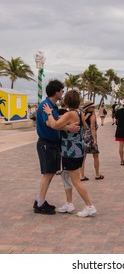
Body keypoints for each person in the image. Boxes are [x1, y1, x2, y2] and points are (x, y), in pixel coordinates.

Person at [43, 89, 97, 217]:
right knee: (65, 175)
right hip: (77, 150)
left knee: (76, 180)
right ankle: (69, 203)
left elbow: (55, 125)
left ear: (67, 101)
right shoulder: (79, 113)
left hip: (70, 151)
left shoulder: (70, 114)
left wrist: (49, 114)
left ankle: (90, 206)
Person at [33, 79, 79, 215]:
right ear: (56, 92)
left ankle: (40, 200)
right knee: (47, 174)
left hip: (52, 143)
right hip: (47, 143)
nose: (62, 94)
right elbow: (51, 124)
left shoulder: (52, 106)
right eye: (61, 91)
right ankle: (39, 203)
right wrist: (68, 127)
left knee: (50, 173)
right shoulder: (45, 106)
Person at [79, 100, 104, 181]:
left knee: (83, 157)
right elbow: (92, 128)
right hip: (90, 137)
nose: (94, 108)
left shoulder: (83, 115)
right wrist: (95, 140)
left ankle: (82, 176)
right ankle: (97, 174)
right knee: (95, 156)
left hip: (83, 137)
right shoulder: (92, 116)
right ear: (89, 108)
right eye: (93, 107)